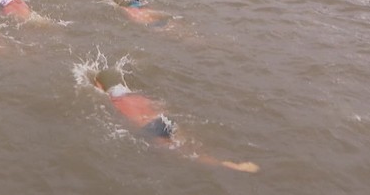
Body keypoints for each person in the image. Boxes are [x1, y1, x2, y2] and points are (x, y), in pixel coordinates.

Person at [93, 69, 259, 173]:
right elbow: (158, 105)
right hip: (162, 119)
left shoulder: (114, 101)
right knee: (190, 145)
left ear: (102, 86)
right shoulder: (136, 96)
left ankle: (227, 165)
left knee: (185, 155)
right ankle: (222, 160)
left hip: (149, 128)